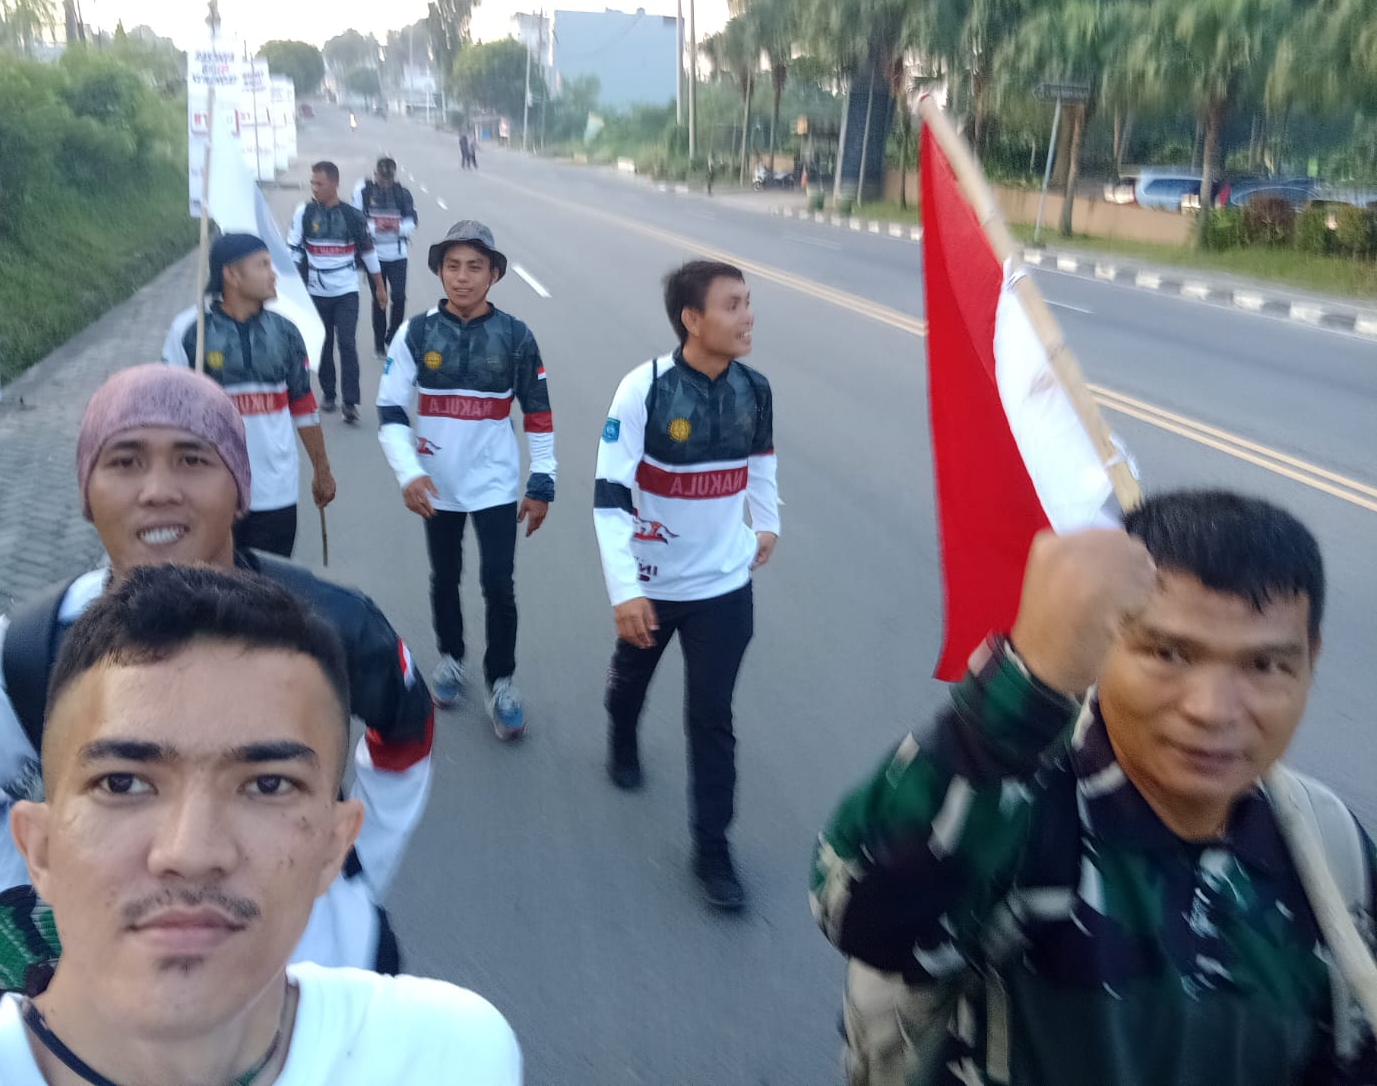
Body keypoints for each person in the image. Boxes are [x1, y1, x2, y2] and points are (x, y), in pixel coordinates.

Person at [810, 491, 1377, 1086]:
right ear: (1106, 645)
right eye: (1169, 653)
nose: (1213, 710)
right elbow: (862, 915)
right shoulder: (1025, 814)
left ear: (1310, 661)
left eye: (1264, 666)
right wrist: (1028, 687)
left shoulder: (1326, 847)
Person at [0, 365, 433, 982]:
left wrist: (353, 866)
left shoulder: (335, 627)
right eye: (125, 461)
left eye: (192, 459)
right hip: (120, 992)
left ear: (240, 490)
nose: (158, 490)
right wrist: (48, 915)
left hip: (310, 970)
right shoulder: (30, 650)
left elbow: (406, 732)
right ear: (87, 495)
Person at [0, 565, 523, 1085]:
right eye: (123, 782)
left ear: (334, 846)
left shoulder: (455, 1058)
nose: (191, 851)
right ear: (39, 850)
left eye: (267, 785)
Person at [592, 260, 778, 911]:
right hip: (652, 583)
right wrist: (624, 590)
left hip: (724, 589)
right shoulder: (641, 391)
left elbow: (759, 464)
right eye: (732, 305)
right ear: (692, 319)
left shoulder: (754, 389)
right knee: (632, 679)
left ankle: (711, 849)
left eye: (748, 302)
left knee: (711, 716)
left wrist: (768, 521)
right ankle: (619, 730)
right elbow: (609, 497)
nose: (747, 315)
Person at [377, 220, 555, 741]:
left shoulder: (517, 337)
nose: (462, 278)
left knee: (499, 583)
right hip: (436, 487)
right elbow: (390, 409)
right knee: (444, 577)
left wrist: (542, 481)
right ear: (439, 270)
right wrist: (409, 473)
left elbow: (538, 414)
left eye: (475, 267)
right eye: (452, 266)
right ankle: (451, 659)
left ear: (494, 274)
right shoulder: (415, 333)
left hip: (495, 484)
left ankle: (502, 681)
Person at [162, 232, 334, 558]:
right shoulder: (190, 330)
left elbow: (303, 404)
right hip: (210, 491)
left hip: (276, 490)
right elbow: (168, 414)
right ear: (233, 275)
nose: (273, 274)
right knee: (212, 594)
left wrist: (322, 470)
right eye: (263, 265)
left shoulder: (286, 332)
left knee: (268, 593)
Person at [287, 162, 387, 426]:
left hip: (346, 291)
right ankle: (329, 394)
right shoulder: (304, 214)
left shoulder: (353, 216)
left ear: (334, 184)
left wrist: (379, 286)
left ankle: (350, 402)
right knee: (323, 343)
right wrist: (291, 285)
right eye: (312, 183)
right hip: (315, 292)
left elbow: (367, 252)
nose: (314, 188)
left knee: (347, 343)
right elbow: (295, 250)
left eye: (319, 183)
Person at [353, 158, 418, 358]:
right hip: (374, 254)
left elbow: (412, 223)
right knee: (379, 299)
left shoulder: (403, 194)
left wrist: (398, 227)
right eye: (382, 177)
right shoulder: (363, 193)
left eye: (389, 178)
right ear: (375, 174)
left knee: (399, 297)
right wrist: (375, 227)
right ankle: (379, 344)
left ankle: (392, 337)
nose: (385, 182)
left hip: (398, 254)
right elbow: (355, 223)